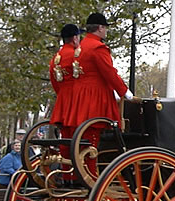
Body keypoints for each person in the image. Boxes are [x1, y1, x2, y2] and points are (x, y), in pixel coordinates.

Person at [69, 12, 133, 177]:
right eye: (105, 28)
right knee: (92, 139)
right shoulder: (98, 47)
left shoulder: (81, 47)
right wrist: (124, 91)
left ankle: (77, 175)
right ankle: (90, 176)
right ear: (100, 28)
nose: (106, 32)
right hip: (94, 98)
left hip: (79, 97)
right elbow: (109, 73)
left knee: (83, 140)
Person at [49, 24, 83, 183]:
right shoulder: (77, 55)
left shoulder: (56, 58)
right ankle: (79, 178)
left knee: (65, 144)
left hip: (62, 104)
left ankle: (67, 177)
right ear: (75, 38)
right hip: (77, 103)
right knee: (80, 143)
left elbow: (55, 83)